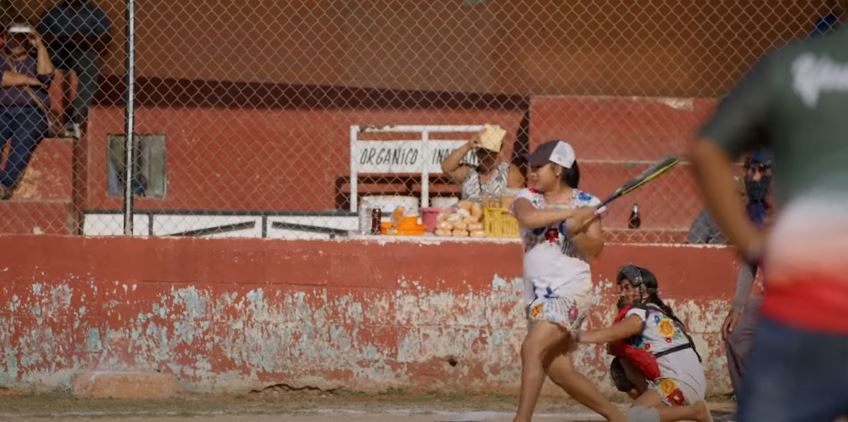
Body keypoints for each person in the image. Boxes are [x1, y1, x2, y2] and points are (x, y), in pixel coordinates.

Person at [690, 16, 848, 421]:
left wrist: (751, 243)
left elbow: (706, 148)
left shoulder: (791, 64)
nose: (756, 177)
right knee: (743, 338)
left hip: (808, 299)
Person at [509, 140, 625, 422]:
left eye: (539, 167)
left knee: (532, 348)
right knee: (559, 370)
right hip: (536, 296)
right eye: (531, 166)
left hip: (570, 291)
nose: (532, 172)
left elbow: (596, 249)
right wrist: (570, 216)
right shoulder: (528, 197)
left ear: (558, 169)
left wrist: (575, 232)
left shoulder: (588, 204)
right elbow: (531, 218)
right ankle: (618, 417)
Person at [573, 265, 712, 422]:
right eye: (621, 288)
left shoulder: (640, 312)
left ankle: (695, 412)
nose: (622, 294)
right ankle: (672, 411)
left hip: (678, 382)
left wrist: (577, 337)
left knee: (632, 417)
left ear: (644, 291)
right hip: (689, 383)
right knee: (622, 363)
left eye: (627, 288)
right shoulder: (659, 312)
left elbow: (617, 332)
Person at [721, 149, 773, 400]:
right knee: (737, 332)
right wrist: (737, 306)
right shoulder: (754, 213)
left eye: (762, 170)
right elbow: (749, 262)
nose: (754, 177)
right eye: (751, 170)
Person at [37, 0, 111, 139]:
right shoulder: (54, 12)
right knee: (39, 62)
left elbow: (105, 38)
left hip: (82, 50)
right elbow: (41, 36)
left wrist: (84, 39)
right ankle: (40, 116)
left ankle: (75, 117)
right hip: (57, 50)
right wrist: (61, 39)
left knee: (91, 64)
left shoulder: (95, 13)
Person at [0, 23, 54, 199]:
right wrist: (28, 79)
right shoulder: (1, 59)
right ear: (6, 39)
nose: (16, 42)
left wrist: (39, 44)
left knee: (23, 138)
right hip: (3, 109)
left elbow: (46, 75)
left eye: (21, 38)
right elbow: (4, 78)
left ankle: (4, 185)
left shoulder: (36, 59)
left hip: (32, 111)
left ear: (27, 40)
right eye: (13, 37)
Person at [441, 128, 524, 201]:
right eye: (481, 151)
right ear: (476, 152)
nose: (485, 155)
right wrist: (468, 146)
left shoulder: (508, 172)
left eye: (490, 151)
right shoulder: (469, 172)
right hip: (472, 217)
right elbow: (447, 168)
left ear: (499, 151)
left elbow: (518, 200)